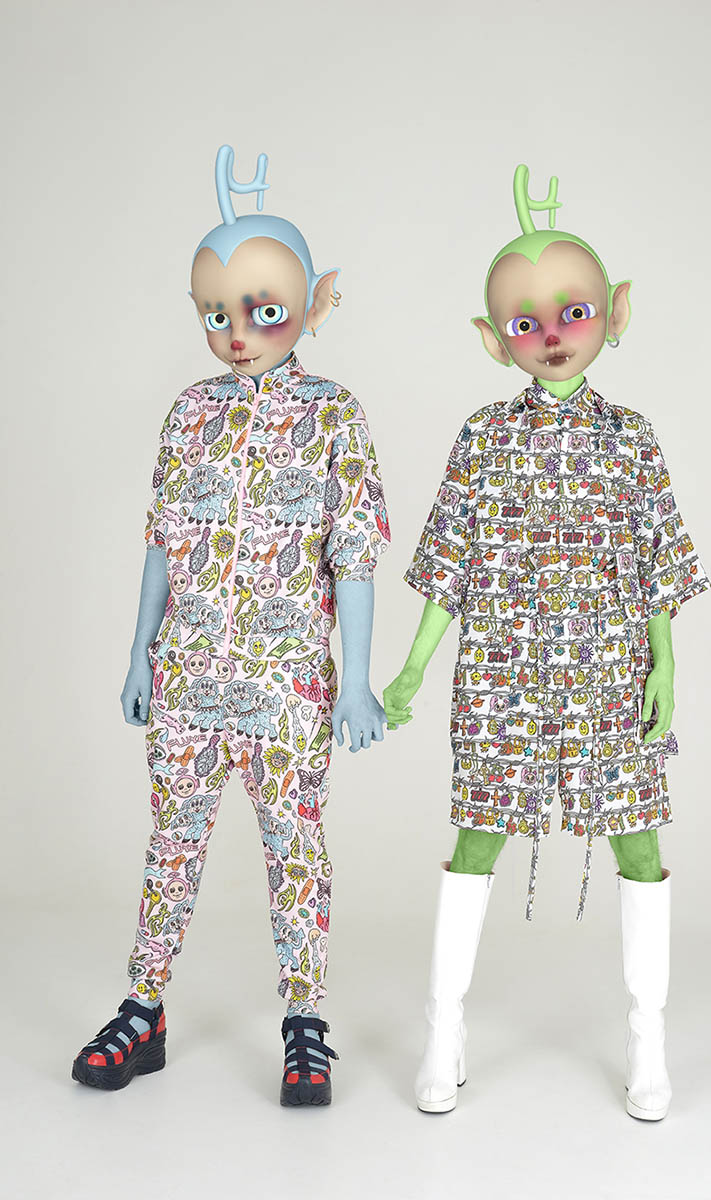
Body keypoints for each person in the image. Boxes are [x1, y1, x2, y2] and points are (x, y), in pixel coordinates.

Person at [384, 165, 711, 1120]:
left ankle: (648, 1040)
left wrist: (665, 660)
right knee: (475, 839)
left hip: (612, 673)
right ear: (494, 340)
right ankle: (444, 1031)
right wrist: (411, 668)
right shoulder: (483, 437)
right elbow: (449, 563)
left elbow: (656, 560)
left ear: (616, 312)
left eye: (574, 312)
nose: (553, 335)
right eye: (525, 323)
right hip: (502, 675)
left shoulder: (632, 438)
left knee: (640, 848)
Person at [72, 145, 391, 1106]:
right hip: (186, 681)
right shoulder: (188, 416)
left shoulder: (335, 417)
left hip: (285, 684)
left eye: (262, 311)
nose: (239, 333)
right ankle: (145, 1008)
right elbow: (162, 541)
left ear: (313, 304)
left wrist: (356, 679)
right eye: (217, 314)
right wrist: (139, 654)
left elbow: (355, 554)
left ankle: (306, 1022)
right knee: (171, 841)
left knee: (296, 847)